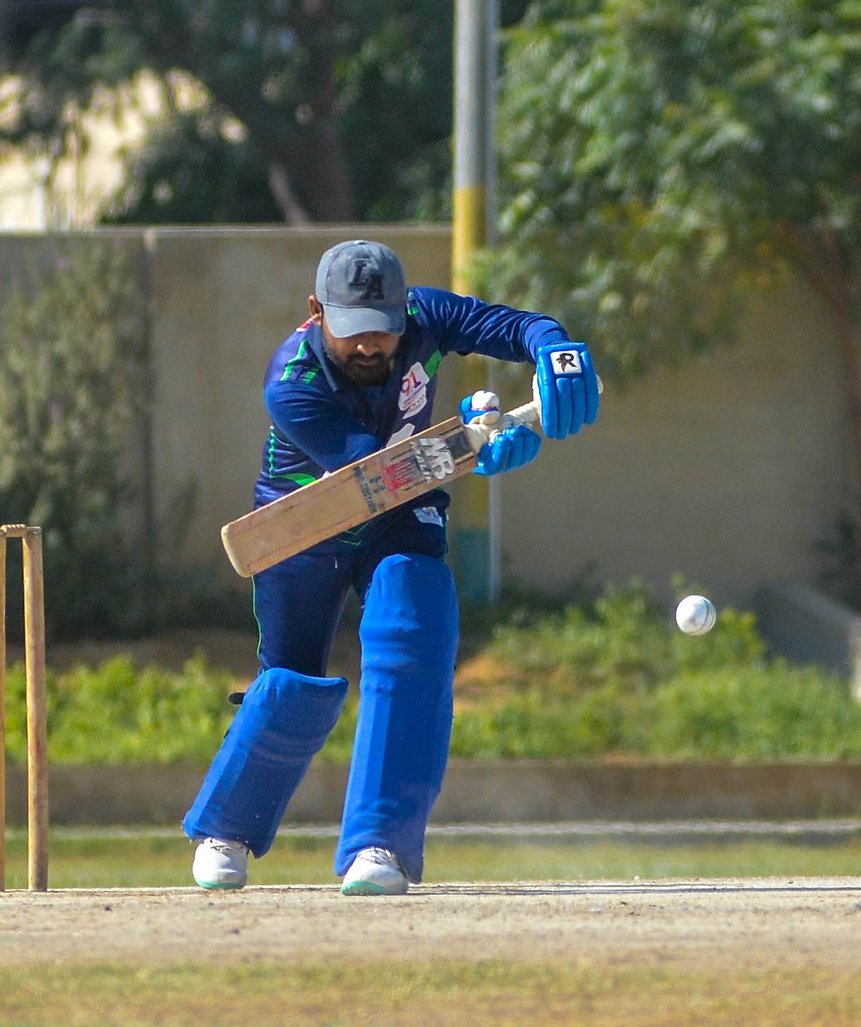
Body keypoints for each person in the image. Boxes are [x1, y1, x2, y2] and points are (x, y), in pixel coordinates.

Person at [183, 239, 600, 895]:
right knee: (291, 683)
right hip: (307, 518)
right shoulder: (291, 383)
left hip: (400, 513)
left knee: (415, 621)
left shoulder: (425, 315)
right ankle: (226, 830)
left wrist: (555, 348)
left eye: (382, 328)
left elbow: (515, 326)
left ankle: (380, 844)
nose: (369, 345)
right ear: (316, 311)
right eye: (352, 330)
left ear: (403, 309)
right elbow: (376, 470)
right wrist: (475, 444)